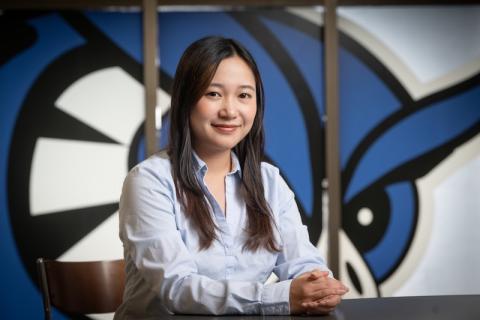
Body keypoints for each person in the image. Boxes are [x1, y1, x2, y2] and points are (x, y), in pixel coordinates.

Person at [114, 36, 348, 319]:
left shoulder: (269, 181)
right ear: (186, 101)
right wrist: (282, 296)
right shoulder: (149, 181)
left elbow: (303, 264)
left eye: (244, 95)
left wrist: (317, 286)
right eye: (213, 94)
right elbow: (177, 288)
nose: (229, 110)